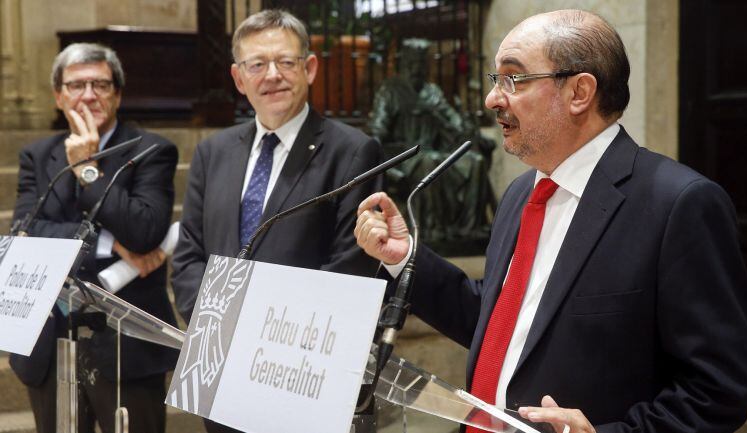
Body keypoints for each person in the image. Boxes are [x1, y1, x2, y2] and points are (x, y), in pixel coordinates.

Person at [355, 9, 747, 433]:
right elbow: (501, 324)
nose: (493, 99)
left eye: (513, 78)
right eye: (496, 80)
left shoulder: (679, 204)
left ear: (579, 92)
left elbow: (717, 393)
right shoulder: (520, 195)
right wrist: (406, 258)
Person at [171, 9, 382, 433]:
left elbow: (349, 267)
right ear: (238, 78)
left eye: (286, 62)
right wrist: (220, 330)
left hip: (300, 377)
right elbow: (189, 258)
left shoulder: (352, 152)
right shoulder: (214, 153)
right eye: (257, 65)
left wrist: (268, 340)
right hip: (220, 371)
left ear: (310, 68)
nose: (272, 75)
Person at [9, 43, 179, 433]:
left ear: (117, 93)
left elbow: (144, 233)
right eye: (76, 85)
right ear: (58, 95)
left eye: (100, 84)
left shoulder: (152, 150)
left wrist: (87, 170)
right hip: (48, 343)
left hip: (126, 346)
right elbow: (24, 236)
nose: (88, 95)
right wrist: (107, 244)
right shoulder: (37, 155)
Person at [369, 38, 495, 243]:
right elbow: (376, 133)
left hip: (434, 152)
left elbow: (456, 126)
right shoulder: (390, 91)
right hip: (405, 158)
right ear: (405, 64)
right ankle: (431, 230)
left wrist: (466, 129)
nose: (417, 69)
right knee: (429, 162)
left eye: (421, 64)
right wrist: (389, 168)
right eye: (413, 64)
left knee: (475, 163)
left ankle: (469, 229)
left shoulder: (433, 93)